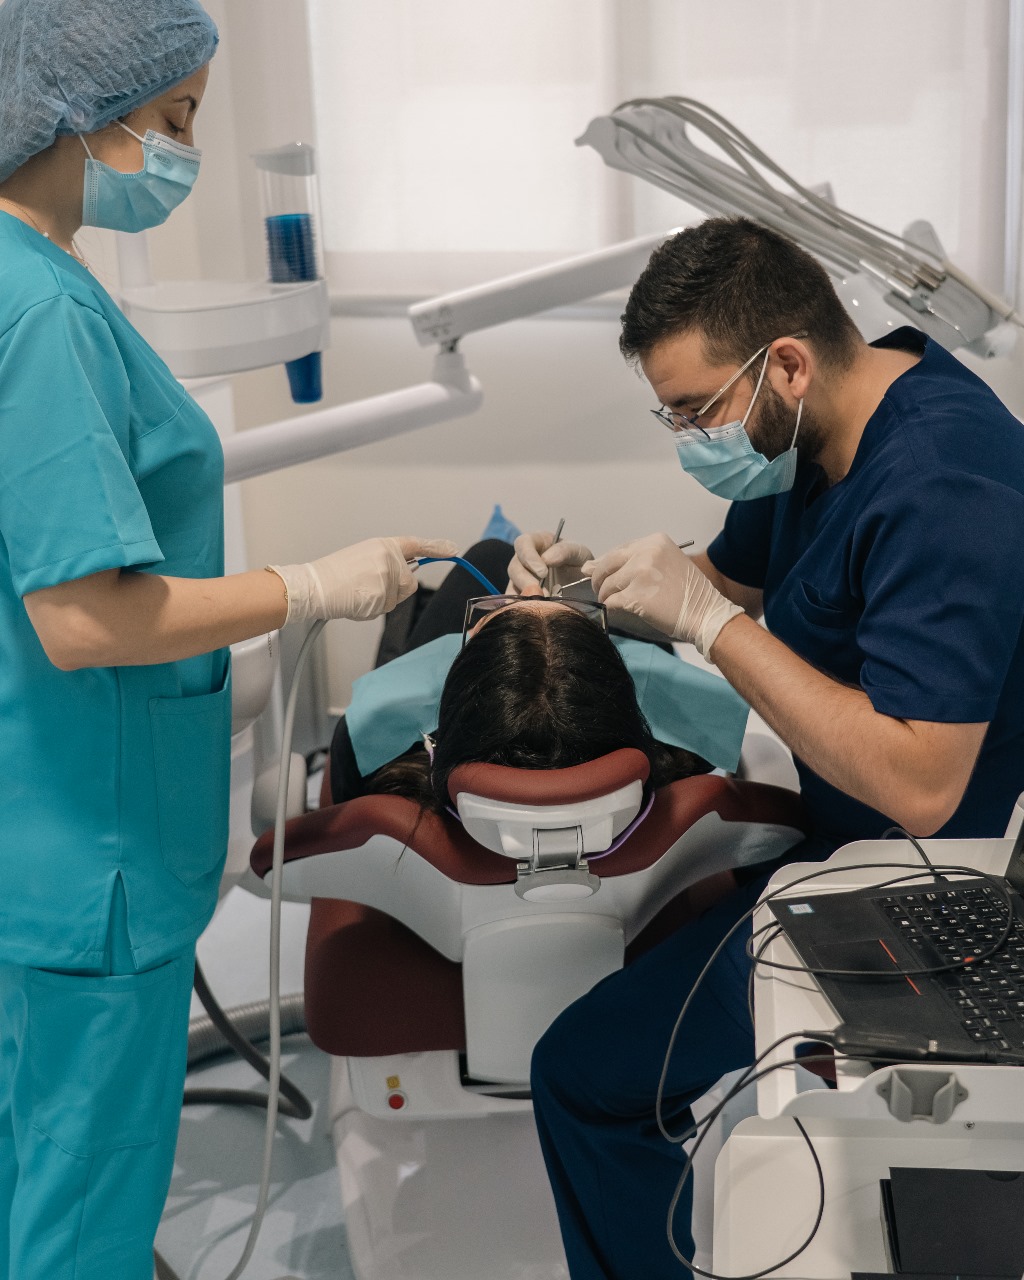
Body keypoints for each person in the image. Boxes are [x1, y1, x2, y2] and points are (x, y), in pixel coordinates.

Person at [0, 3, 452, 1275]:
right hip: (95, 854)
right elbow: (82, 614)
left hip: (44, 829)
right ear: (79, 104)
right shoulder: (41, 309)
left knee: (38, 1167)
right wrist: (306, 584)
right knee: (80, 1215)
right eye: (176, 117)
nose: (183, 152)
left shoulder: (35, 276)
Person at [509, 216, 1024, 1277]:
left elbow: (922, 784)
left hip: (927, 886)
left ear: (785, 362)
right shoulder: (817, 432)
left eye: (696, 410)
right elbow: (734, 582)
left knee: (582, 1074)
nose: (687, 436)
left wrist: (706, 625)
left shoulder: (943, 482)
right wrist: (592, 591)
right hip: (838, 841)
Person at [325, 540, 750, 813]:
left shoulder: (375, 746)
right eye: (569, 609)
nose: (533, 590)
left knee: (491, 555)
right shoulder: (685, 756)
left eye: (499, 613)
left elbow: (341, 786)